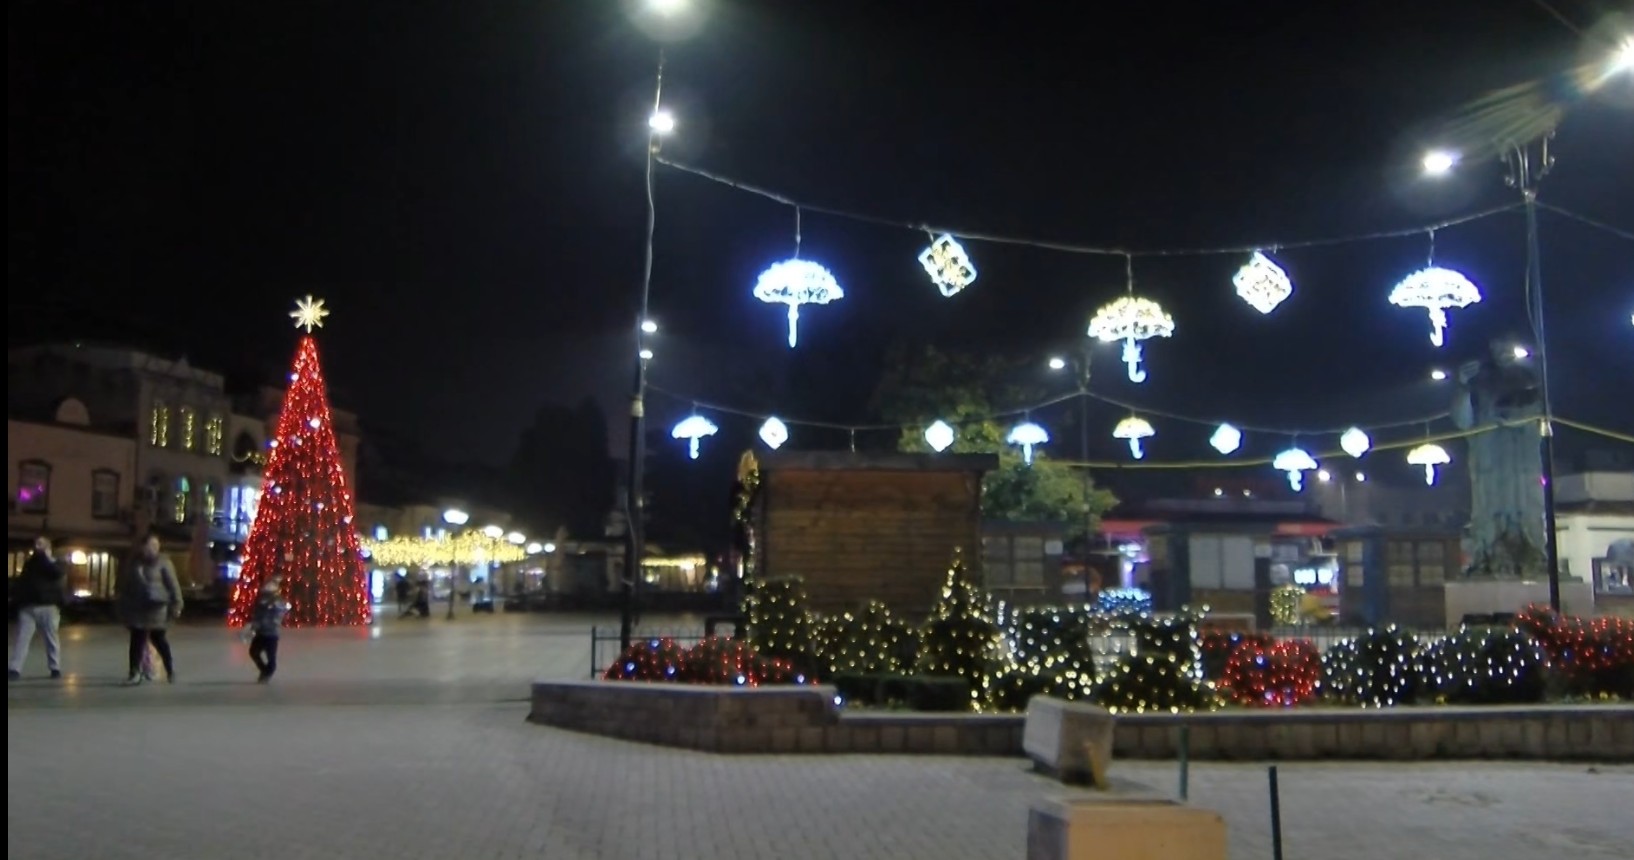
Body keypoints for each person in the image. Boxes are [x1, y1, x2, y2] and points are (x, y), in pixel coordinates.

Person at [116, 532, 183, 685]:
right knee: (136, 640)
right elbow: (126, 586)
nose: (153, 548)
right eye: (150, 545)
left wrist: (177, 604)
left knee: (159, 639)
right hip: (138, 607)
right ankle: (134, 672)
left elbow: (173, 585)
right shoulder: (134, 563)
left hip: (157, 608)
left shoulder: (164, 563)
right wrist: (122, 605)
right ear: (143, 547)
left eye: (156, 545)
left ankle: (170, 670)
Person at [8, 535, 67, 681]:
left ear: (48, 547)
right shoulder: (31, 563)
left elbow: (56, 574)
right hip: (29, 607)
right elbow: (23, 581)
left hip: (48, 606)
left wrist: (44, 557)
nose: (37, 547)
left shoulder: (56, 563)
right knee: (22, 639)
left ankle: (54, 667)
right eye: (36, 544)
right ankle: (15, 668)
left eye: (40, 544)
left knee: (51, 639)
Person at [247, 576, 289, 683]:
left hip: (271, 635)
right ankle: (264, 671)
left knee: (271, 657)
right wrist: (254, 625)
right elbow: (257, 615)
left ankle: (267, 673)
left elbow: (280, 613)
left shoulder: (277, 604)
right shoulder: (261, 603)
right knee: (254, 652)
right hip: (261, 633)